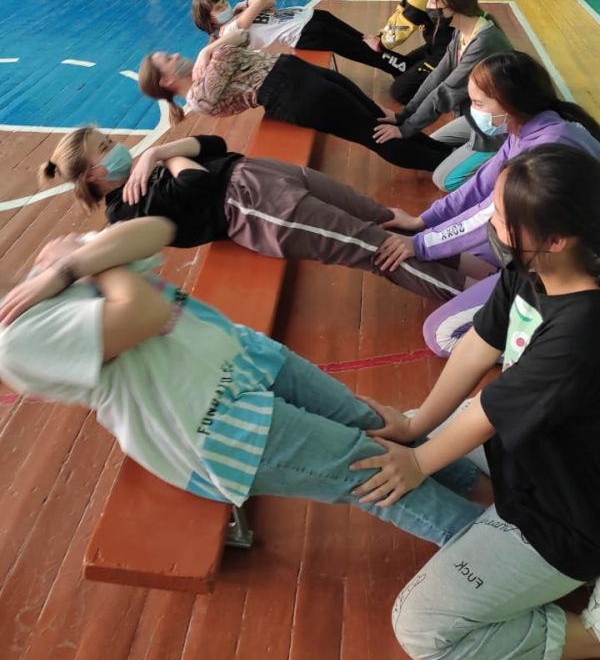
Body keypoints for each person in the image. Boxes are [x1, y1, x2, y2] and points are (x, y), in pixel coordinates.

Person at [0, 217, 486, 546]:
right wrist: (79, 263)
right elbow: (144, 313)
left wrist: (69, 265)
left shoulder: (42, 280)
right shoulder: (16, 341)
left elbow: (156, 230)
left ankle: (482, 487)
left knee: (370, 421)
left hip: (245, 356)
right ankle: (497, 552)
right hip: (214, 420)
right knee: (371, 471)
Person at [349, 145, 600, 660]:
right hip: (535, 448)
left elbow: (490, 407)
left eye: (502, 217)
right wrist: (416, 425)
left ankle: (593, 633)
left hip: (573, 510)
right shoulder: (533, 267)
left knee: (420, 629)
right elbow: (480, 344)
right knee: (418, 430)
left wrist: (419, 461)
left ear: (556, 238)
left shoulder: (583, 328)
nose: (491, 222)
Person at [37, 127, 478, 303]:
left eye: (108, 139)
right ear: (93, 174)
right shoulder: (125, 208)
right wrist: (165, 158)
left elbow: (213, 144)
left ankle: (485, 268)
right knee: (379, 249)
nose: (117, 147)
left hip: (263, 172)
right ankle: (485, 304)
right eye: (105, 147)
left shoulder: (142, 169)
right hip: (255, 207)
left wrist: (159, 151)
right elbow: (197, 183)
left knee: (385, 219)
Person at [376, 51, 600, 355]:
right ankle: (502, 289)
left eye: (479, 104)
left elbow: (490, 212)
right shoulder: (527, 128)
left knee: (442, 334)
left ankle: (548, 346)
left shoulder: (548, 147)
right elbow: (481, 185)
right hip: (543, 247)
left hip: (567, 269)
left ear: (510, 102)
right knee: (452, 245)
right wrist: (424, 221)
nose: (473, 111)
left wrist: (421, 243)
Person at [137, 44, 454, 172]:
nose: (176, 54)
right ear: (166, 81)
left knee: (379, 116)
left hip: (297, 73)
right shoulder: (200, 97)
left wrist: (209, 49)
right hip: (294, 93)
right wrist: (210, 51)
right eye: (168, 59)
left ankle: (449, 154)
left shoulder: (205, 77)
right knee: (374, 134)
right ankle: (449, 168)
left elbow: (238, 37)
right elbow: (230, 48)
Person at [374, 0, 512, 190]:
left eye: (432, 1)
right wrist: (404, 115)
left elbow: (446, 91)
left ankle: (506, 161)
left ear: (453, 4)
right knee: (432, 145)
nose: (428, 7)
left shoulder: (484, 42)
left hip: (498, 127)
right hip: (477, 118)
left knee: (444, 181)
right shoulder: (462, 31)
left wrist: (405, 129)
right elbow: (438, 75)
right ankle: (475, 155)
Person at [191, 0, 406, 76]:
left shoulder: (240, 16)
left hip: (311, 16)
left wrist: (245, 6)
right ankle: (404, 70)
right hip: (307, 32)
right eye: (218, 8)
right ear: (208, 19)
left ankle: (406, 66)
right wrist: (244, 5)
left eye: (224, 2)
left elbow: (271, 1)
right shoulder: (230, 29)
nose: (226, 7)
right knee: (363, 50)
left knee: (365, 41)